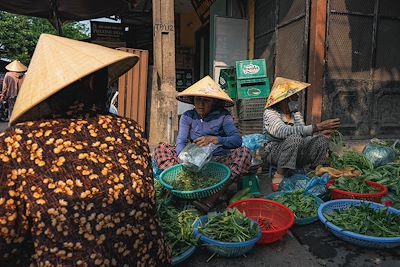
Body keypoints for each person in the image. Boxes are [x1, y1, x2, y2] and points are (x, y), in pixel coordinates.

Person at [0, 34, 170, 266]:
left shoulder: (16, 143)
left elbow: (8, 238)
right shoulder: (129, 129)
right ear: (92, 84)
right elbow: (146, 201)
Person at [154, 76, 252, 212]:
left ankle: (211, 198)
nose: (201, 104)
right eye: (198, 99)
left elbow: (237, 140)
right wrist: (185, 160)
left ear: (214, 102)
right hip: (191, 163)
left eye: (206, 100)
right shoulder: (188, 116)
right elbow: (181, 141)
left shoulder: (223, 116)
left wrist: (215, 139)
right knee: (161, 148)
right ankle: (182, 188)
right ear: (193, 101)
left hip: (217, 162)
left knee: (244, 153)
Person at [263, 77, 340, 191]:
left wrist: (318, 133)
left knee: (321, 140)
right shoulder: (270, 113)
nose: (297, 98)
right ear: (285, 99)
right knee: (294, 138)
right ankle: (279, 174)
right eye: (294, 95)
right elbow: (282, 132)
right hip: (275, 152)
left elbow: (304, 135)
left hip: (296, 149)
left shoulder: (295, 114)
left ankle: (318, 171)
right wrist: (317, 127)